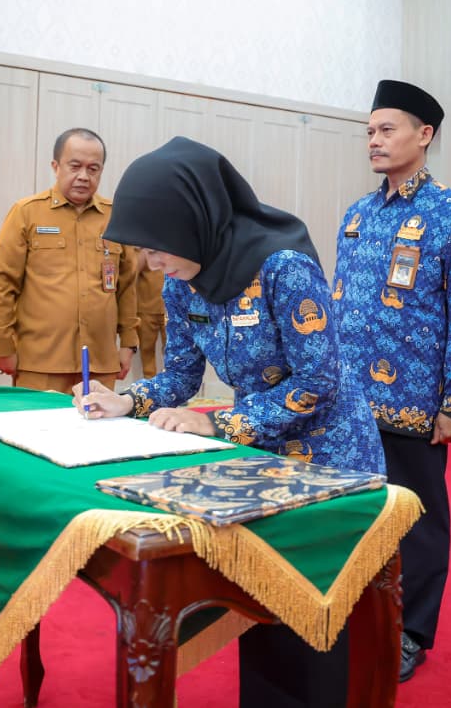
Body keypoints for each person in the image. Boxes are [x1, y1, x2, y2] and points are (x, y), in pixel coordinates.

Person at [74, 136, 385, 707]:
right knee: (264, 601)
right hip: (262, 457)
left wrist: (219, 425)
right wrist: (127, 400)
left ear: (193, 223)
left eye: (156, 248)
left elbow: (318, 382)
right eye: (143, 251)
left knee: (316, 610)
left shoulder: (282, 268)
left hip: (330, 458)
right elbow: (180, 377)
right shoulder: (181, 282)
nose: (150, 263)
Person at [328, 80, 451, 683]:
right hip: (351, 401)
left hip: (415, 401)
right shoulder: (357, 214)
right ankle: (357, 615)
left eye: (386, 129)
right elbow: (340, 304)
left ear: (425, 135)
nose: (374, 140)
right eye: (369, 131)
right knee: (358, 513)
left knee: (417, 521)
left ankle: (411, 631)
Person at [0, 128, 138, 392]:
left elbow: (127, 287)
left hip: (100, 362)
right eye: (75, 166)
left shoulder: (116, 217)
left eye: (93, 169)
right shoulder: (27, 213)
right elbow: (2, 283)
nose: (83, 176)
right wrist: (4, 345)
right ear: (56, 167)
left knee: (97, 420)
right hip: (40, 362)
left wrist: (128, 342)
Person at [135, 265, 168, 377]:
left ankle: (172, 383)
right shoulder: (142, 254)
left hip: (170, 307)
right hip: (145, 307)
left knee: (173, 350)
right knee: (146, 350)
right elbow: (131, 271)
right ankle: (149, 384)